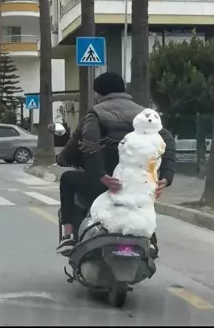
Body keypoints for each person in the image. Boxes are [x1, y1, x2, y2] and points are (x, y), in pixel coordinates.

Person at [55, 72, 177, 256]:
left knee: (67, 179)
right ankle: (150, 240)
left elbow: (89, 142)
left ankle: (69, 236)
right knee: (143, 205)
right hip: (136, 184)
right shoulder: (144, 114)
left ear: (98, 93)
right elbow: (168, 141)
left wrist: (101, 175)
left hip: (105, 183)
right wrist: (166, 178)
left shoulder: (96, 112)